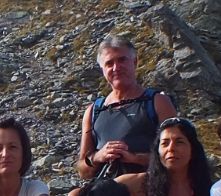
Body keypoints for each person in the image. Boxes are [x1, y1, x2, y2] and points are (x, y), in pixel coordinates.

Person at [76, 35, 178, 182]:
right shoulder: (94, 111)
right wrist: (99, 156)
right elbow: (83, 171)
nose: (116, 68)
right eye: (109, 63)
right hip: (106, 193)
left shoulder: (157, 102)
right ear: (102, 70)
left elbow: (178, 156)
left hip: (150, 188)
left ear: (134, 62)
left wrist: (134, 158)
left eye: (122, 60)